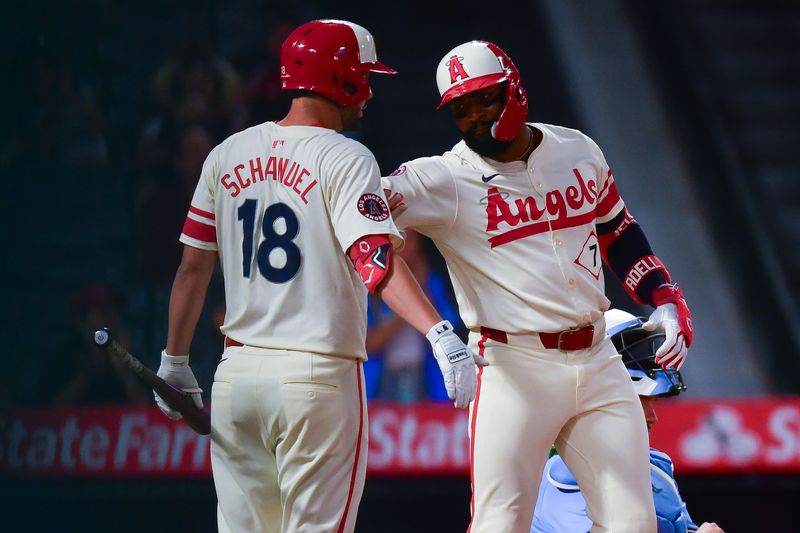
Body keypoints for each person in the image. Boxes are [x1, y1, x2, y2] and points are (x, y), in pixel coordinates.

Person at [154, 20, 485, 533]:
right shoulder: (347, 155)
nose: (371, 91)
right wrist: (438, 332)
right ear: (341, 79)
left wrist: (174, 361)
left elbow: (192, 266)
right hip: (316, 377)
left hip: (238, 377)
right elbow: (374, 259)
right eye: (365, 76)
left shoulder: (226, 153)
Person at [381, 41, 694, 532]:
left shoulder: (577, 149)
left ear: (514, 86)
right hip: (513, 367)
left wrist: (664, 298)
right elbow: (363, 214)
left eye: (484, 98)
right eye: (460, 108)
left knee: (635, 524)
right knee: (499, 524)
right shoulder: (444, 177)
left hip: (597, 357)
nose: (474, 117)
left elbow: (617, 229)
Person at [531, 309, 724, 533]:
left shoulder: (658, 464)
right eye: (642, 402)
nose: (653, 418)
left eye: (653, 402)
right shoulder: (564, 472)